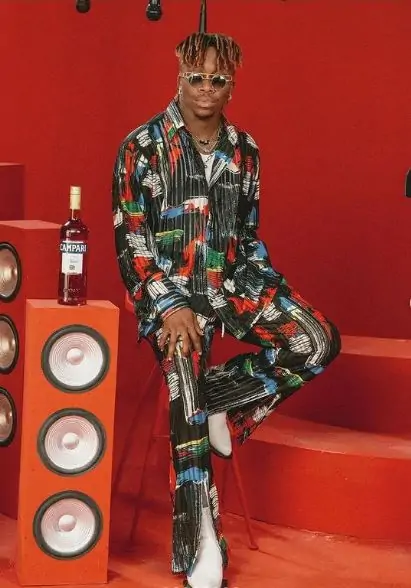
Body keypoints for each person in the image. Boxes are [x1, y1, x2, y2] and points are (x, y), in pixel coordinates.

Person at [112, 25, 341, 588]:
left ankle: (221, 403)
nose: (206, 89)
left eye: (218, 80)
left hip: (232, 283)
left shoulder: (246, 150)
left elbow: (249, 234)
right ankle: (201, 542)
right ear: (179, 77)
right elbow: (131, 241)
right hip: (171, 296)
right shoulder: (141, 147)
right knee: (185, 387)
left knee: (317, 341)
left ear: (233, 84)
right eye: (197, 77)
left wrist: (271, 291)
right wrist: (168, 306)